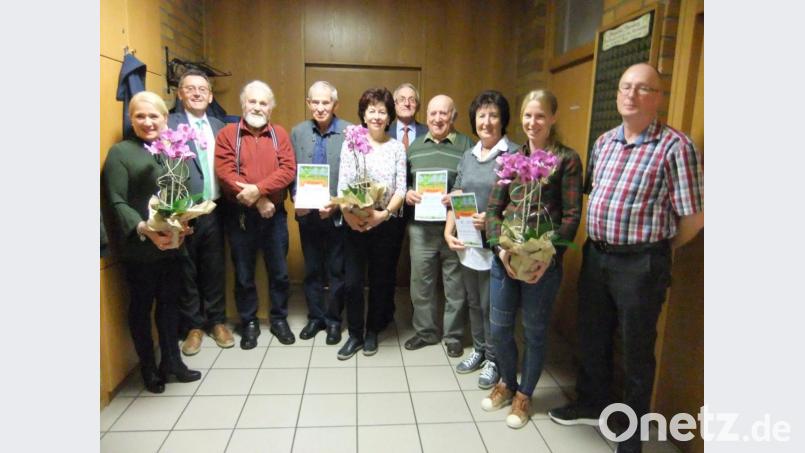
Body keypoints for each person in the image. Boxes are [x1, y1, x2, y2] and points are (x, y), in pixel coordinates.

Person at [548, 63, 704, 453]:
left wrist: (659, 249)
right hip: (598, 255)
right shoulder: (604, 142)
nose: (631, 95)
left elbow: (694, 218)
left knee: (636, 350)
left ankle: (631, 432)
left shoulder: (675, 146)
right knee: (593, 335)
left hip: (641, 264)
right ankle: (591, 402)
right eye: (625, 87)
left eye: (643, 88)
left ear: (658, 97)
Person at [481, 89, 583, 429]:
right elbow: (493, 211)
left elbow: (570, 216)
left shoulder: (565, 159)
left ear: (553, 118)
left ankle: (525, 395)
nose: (532, 122)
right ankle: (507, 383)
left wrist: (546, 257)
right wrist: (500, 249)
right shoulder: (511, 157)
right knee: (499, 328)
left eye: (540, 115)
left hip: (543, 264)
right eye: (527, 115)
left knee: (535, 332)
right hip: (504, 260)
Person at [102, 91, 202, 393]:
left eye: (153, 115)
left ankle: (172, 361)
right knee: (142, 307)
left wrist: (184, 224)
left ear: (165, 118)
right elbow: (116, 200)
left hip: (172, 245)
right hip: (140, 247)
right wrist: (144, 228)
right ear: (131, 119)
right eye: (140, 116)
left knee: (171, 305)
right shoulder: (121, 153)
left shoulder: (172, 150)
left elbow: (180, 193)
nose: (147, 122)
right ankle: (148, 367)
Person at [444, 90, 519, 389]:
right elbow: (457, 195)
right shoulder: (469, 155)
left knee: (493, 306)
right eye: (481, 116)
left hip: (495, 245)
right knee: (474, 303)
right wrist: (448, 231)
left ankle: (493, 358)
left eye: (493, 115)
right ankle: (478, 349)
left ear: (503, 120)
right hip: (467, 243)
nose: (486, 122)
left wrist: (491, 220)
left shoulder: (514, 154)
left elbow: (518, 203)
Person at [214, 80, 297, 349]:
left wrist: (260, 190)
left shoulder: (279, 135)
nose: (258, 107)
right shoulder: (228, 134)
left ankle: (279, 319)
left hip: (275, 216)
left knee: (280, 273)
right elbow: (225, 173)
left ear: (271, 108)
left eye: (263, 103)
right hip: (240, 217)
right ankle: (248, 322)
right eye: (253, 101)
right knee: (244, 273)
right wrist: (259, 199)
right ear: (243, 104)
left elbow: (288, 170)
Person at [336, 87, 406, 360]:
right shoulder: (351, 143)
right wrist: (349, 215)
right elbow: (342, 184)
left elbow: (401, 189)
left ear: (389, 117)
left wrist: (383, 214)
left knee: (380, 280)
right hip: (354, 222)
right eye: (372, 110)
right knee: (353, 282)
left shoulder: (396, 148)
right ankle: (354, 333)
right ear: (363, 115)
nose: (377, 116)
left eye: (382, 111)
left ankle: (372, 331)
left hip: (384, 222)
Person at [168, 69, 233, 356]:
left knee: (214, 267)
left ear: (209, 96)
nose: (196, 93)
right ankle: (193, 326)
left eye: (202, 89)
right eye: (190, 89)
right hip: (184, 213)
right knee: (186, 269)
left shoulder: (220, 127)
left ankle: (217, 321)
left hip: (216, 209)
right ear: (180, 94)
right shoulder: (169, 125)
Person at [404, 95, 474, 357]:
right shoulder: (415, 147)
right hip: (420, 229)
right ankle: (426, 332)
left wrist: (458, 194)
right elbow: (404, 182)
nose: (437, 118)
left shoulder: (467, 145)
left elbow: (474, 182)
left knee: (455, 286)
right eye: (433, 113)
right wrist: (409, 192)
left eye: (443, 113)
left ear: (453, 116)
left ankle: (453, 336)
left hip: (453, 227)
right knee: (420, 284)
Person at [290, 81, 351, 345]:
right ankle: (316, 318)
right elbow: (290, 170)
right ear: (308, 103)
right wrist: (295, 197)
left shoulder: (350, 132)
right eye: (315, 102)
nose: (320, 107)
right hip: (308, 215)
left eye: (325, 102)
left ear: (335, 105)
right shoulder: (298, 132)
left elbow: (355, 175)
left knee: (337, 270)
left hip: (337, 214)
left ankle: (334, 321)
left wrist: (337, 203)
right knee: (313, 269)